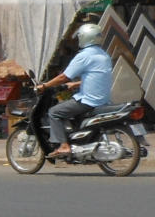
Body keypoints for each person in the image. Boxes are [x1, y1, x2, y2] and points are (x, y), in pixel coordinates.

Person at [37, 23, 111, 158]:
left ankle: (64, 146)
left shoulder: (84, 55)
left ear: (84, 38)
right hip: (103, 100)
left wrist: (45, 86)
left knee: (54, 112)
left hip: (88, 100)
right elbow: (96, 77)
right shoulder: (104, 55)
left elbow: (64, 77)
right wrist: (76, 84)